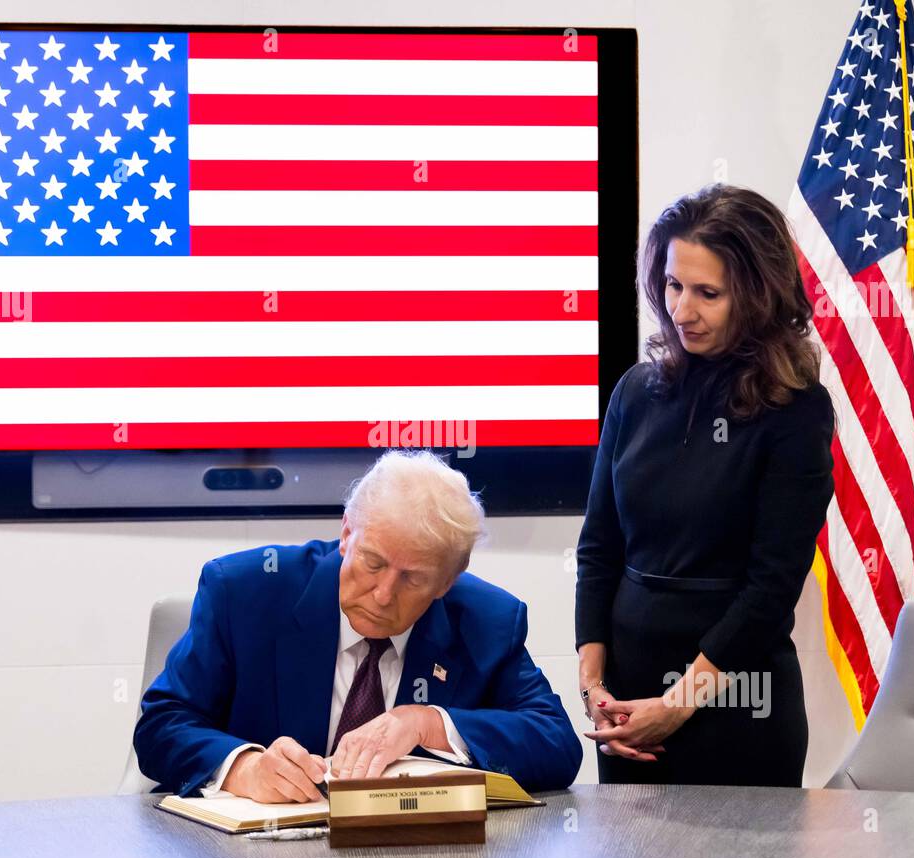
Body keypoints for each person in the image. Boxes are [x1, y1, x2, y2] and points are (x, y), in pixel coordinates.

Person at [135, 449, 582, 802]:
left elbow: (557, 745)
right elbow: (161, 726)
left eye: (413, 579)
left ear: (448, 580)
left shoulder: (487, 622)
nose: (384, 593)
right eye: (372, 562)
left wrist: (428, 722)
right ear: (347, 532)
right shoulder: (244, 592)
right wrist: (243, 768)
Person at [575, 183, 835, 787]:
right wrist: (594, 688)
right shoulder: (635, 392)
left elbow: (771, 588)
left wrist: (677, 705)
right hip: (625, 713)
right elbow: (598, 547)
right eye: (672, 285)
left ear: (756, 295)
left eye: (707, 294)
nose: (681, 310)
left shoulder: (796, 411)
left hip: (738, 710)